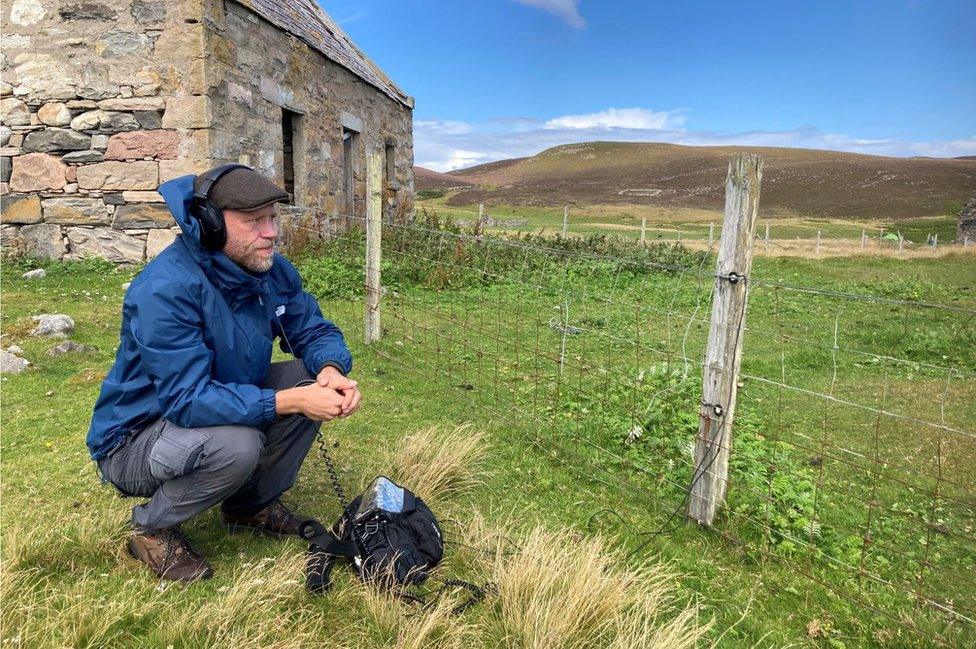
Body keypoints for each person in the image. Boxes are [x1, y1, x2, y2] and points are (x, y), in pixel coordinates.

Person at [86, 164, 362, 582]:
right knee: (239, 443)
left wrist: (329, 369)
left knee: (306, 381)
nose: (271, 232)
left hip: (205, 408)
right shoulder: (166, 288)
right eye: (254, 222)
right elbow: (187, 400)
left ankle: (249, 506)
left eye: (273, 218)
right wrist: (287, 401)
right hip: (134, 440)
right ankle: (152, 529)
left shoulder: (266, 268)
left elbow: (311, 326)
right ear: (211, 225)